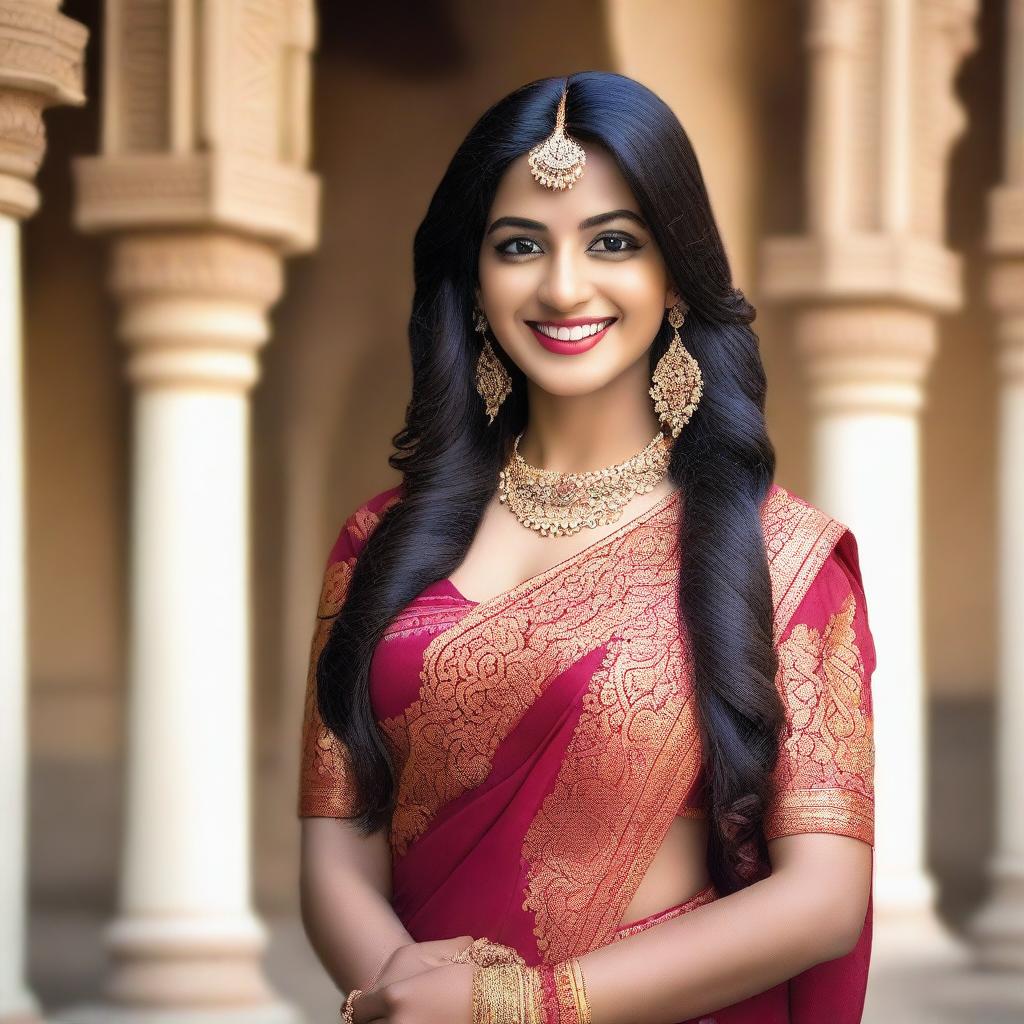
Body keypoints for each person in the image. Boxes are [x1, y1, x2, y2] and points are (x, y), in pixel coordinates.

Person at [297, 71, 875, 1024]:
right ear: (474, 284)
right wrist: (407, 998)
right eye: (520, 246)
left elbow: (821, 900)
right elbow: (335, 848)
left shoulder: (781, 555)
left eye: (614, 242)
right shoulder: (379, 544)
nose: (564, 285)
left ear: (674, 277)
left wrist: (516, 1009)